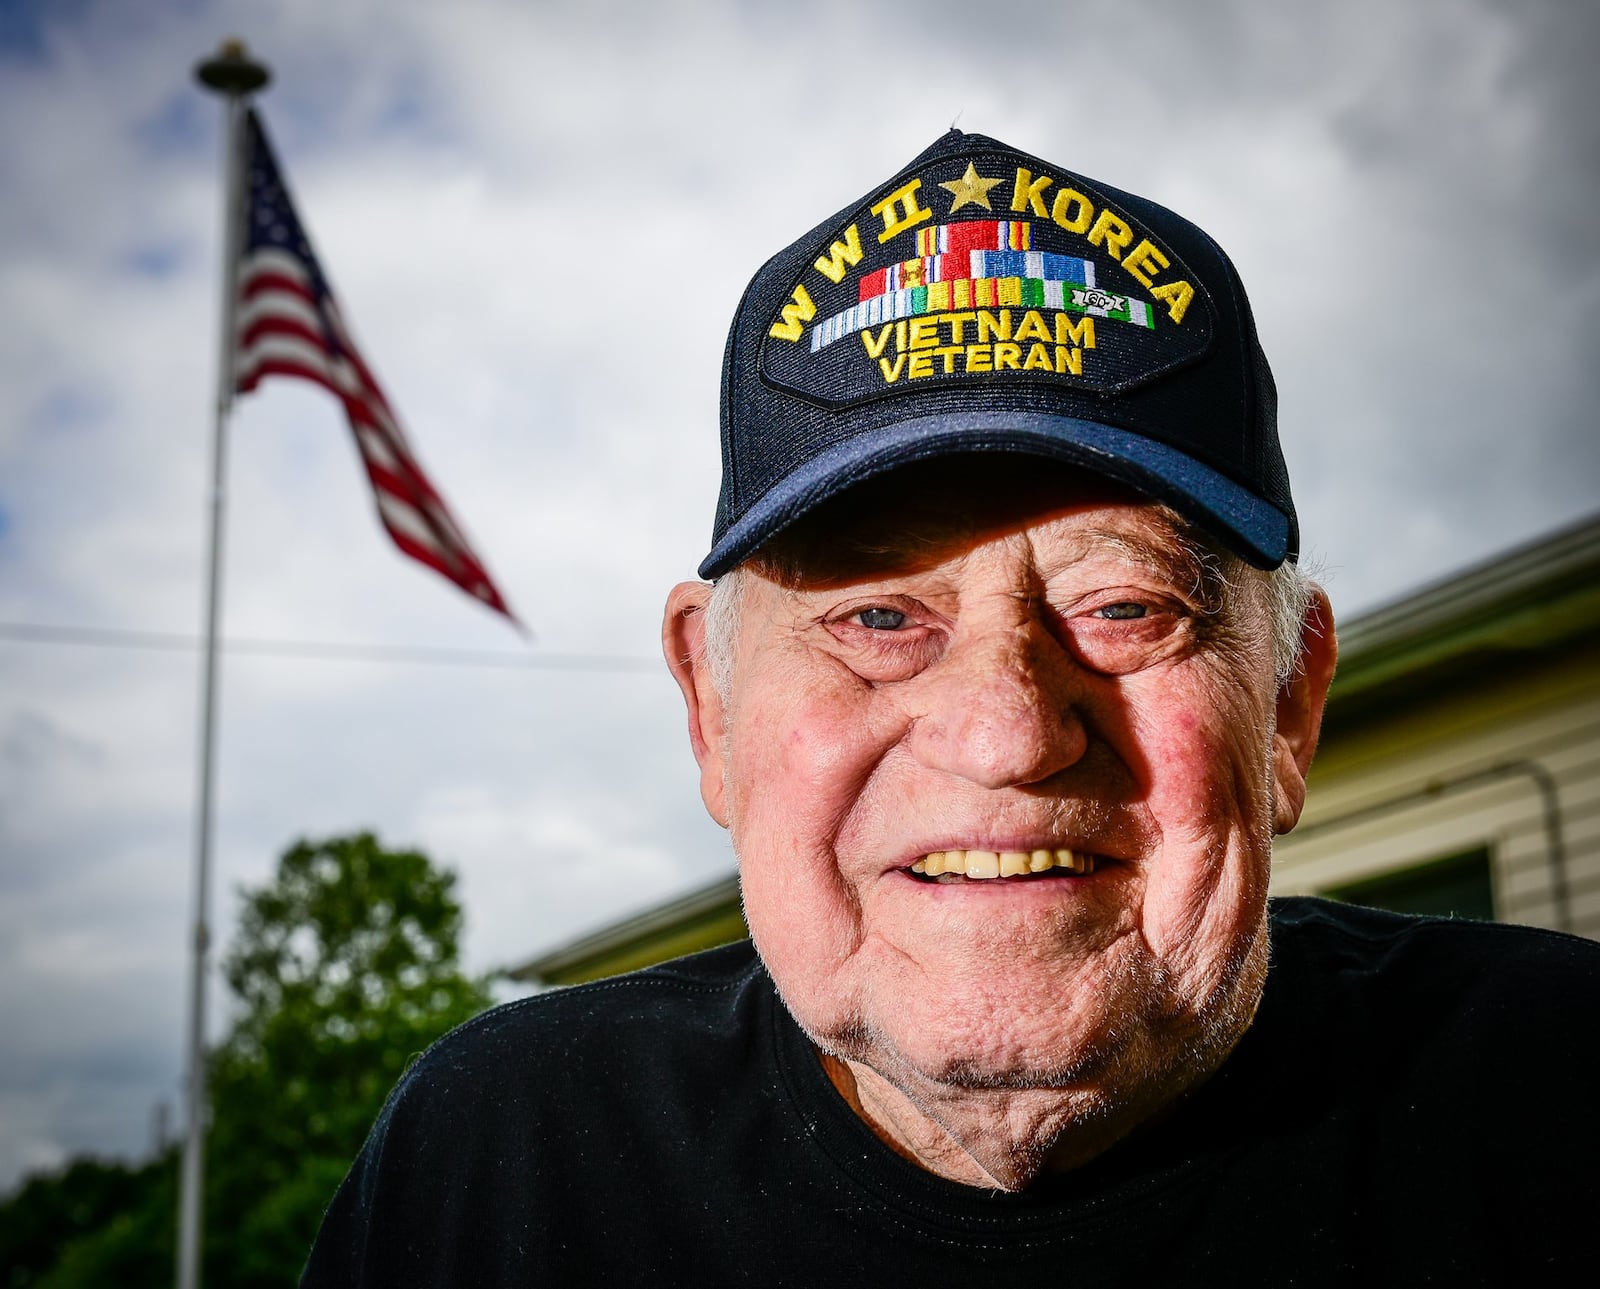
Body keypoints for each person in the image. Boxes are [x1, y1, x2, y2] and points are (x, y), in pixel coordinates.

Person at [301, 131, 1599, 1285]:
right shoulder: (499, 1166)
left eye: (1125, 608)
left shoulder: (1558, 1102)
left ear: (1288, 706)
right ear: (710, 704)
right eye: (878, 617)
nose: (1007, 728)